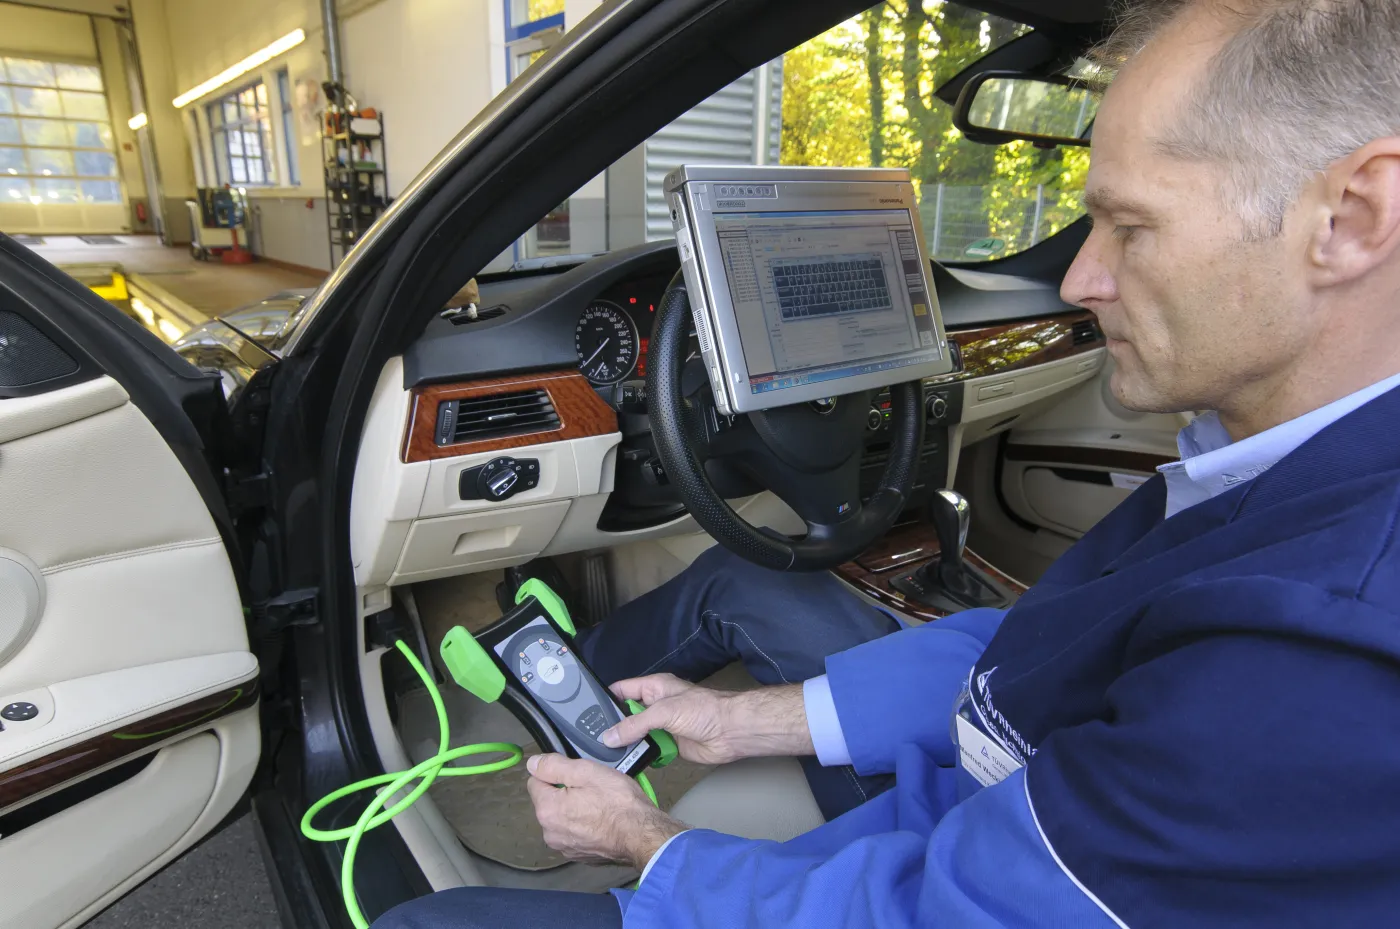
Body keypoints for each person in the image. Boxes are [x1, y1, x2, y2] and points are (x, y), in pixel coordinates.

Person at [376, 0, 1400, 925]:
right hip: (989, 792)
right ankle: (585, 702)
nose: (1080, 279)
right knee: (744, 578)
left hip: (955, 863)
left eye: (1131, 227)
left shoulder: (1320, 654)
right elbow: (1039, 655)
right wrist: (737, 721)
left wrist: (651, 844)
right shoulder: (1272, 464)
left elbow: (950, 909)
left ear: (1354, 216)